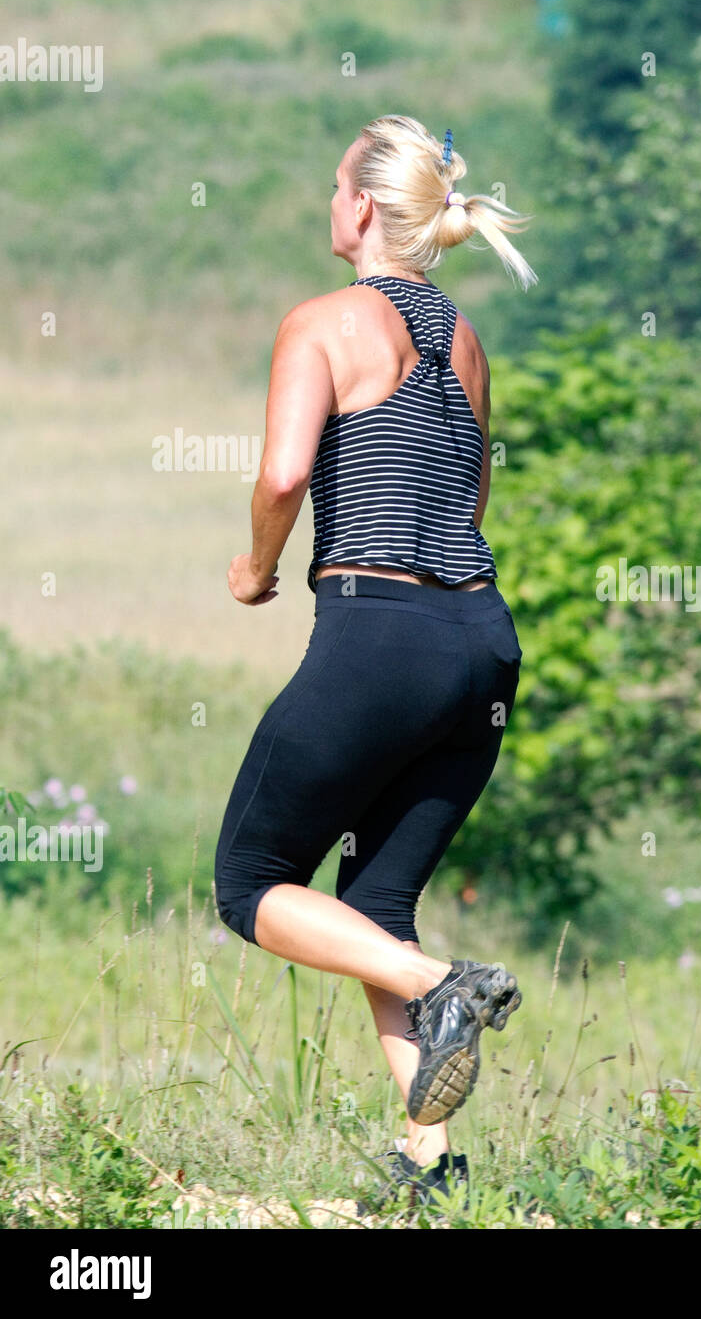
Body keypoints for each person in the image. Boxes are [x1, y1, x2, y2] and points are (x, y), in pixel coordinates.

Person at [214, 114, 537, 1208]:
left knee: (250, 883)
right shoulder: (463, 338)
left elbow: (281, 474)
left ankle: (446, 983)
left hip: (381, 633)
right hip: (482, 642)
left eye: (330, 190)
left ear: (358, 208)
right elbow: (474, 497)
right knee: (379, 901)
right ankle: (428, 1170)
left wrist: (257, 569)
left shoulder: (324, 321)